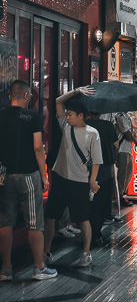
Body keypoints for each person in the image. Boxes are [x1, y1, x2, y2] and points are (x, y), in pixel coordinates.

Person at [0, 80, 57, 281]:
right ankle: (39, 267)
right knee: (34, 223)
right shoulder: (32, 117)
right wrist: (44, 175)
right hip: (28, 175)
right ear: (25, 96)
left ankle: (6, 269)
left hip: (5, 176)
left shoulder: (1, 116)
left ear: (9, 97)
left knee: (6, 221)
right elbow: (38, 147)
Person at [44, 87, 102, 268]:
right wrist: (76, 91)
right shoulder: (66, 127)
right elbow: (57, 102)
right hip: (61, 177)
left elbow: (97, 161)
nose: (67, 117)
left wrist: (92, 180)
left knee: (83, 219)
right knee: (51, 216)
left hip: (80, 181)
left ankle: (86, 252)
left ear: (81, 116)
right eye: (66, 115)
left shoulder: (92, 133)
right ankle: (46, 252)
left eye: (70, 115)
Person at [86, 112, 119, 247]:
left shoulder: (84, 125)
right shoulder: (108, 125)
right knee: (101, 203)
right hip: (104, 168)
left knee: (88, 203)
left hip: (86, 168)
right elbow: (116, 144)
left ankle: (86, 234)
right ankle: (96, 234)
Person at [114, 111, 137, 206]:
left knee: (128, 172)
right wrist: (136, 141)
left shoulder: (126, 116)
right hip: (122, 149)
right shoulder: (119, 115)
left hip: (127, 148)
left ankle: (122, 193)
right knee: (122, 173)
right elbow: (126, 132)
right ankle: (119, 196)